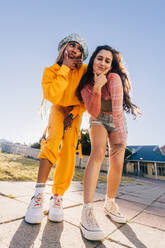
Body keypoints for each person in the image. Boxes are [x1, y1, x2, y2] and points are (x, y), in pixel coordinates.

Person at [76, 45, 140, 241]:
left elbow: (118, 111)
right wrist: (96, 87)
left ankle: (110, 203)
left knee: (117, 161)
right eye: (99, 58)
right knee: (97, 152)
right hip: (98, 120)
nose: (102, 63)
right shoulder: (86, 85)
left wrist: (120, 139)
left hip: (116, 120)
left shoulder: (114, 79)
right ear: (93, 60)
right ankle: (86, 211)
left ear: (111, 66)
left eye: (107, 61)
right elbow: (94, 113)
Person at [25, 33, 88, 224]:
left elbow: (87, 99)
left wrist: (73, 113)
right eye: (72, 45)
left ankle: (57, 197)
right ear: (63, 48)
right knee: (51, 144)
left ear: (81, 55)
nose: (75, 50)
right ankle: (38, 195)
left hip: (74, 113)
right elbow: (52, 95)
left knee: (69, 151)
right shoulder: (51, 70)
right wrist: (66, 69)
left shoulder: (85, 71)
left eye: (79, 49)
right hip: (57, 109)